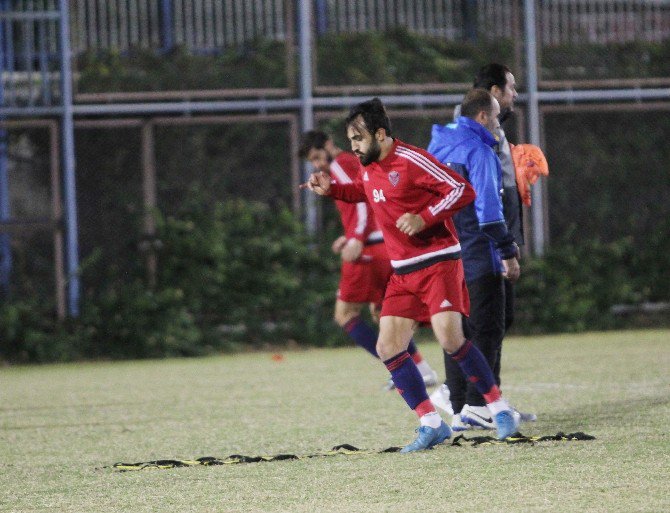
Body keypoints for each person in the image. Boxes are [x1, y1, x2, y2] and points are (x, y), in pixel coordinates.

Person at [303, 98, 519, 451]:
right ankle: (430, 423)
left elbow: (462, 190)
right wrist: (333, 190)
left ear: (381, 134)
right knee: (387, 346)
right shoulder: (369, 165)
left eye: (358, 139)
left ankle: (498, 409)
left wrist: (424, 217)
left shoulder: (411, 159)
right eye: (351, 139)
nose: (353, 147)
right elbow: (366, 193)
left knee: (450, 338)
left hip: (438, 261)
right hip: (403, 271)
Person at [430, 63, 536, 428]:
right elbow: (488, 210)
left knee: (463, 326)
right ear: (484, 110)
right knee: (488, 326)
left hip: (448, 249)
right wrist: (508, 250)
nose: (497, 127)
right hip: (480, 248)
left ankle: (462, 403)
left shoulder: (442, 140)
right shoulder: (480, 149)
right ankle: (478, 403)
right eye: (510, 88)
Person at [298, 130, 439, 388]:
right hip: (383, 244)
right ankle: (420, 369)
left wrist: (356, 238)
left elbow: (362, 205)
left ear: (329, 144)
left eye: (318, 156)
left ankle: (405, 370)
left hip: (369, 249)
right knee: (382, 313)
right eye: (313, 161)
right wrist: (350, 234)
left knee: (345, 314)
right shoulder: (354, 163)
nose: (318, 164)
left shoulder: (340, 163)